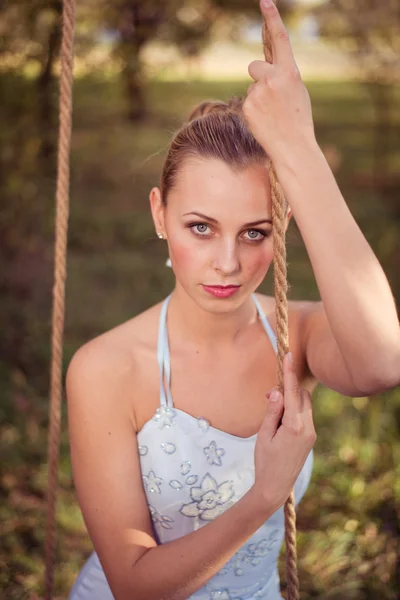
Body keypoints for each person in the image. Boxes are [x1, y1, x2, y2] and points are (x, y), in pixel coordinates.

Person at [66, 1, 400, 599]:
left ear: (282, 225)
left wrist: (301, 152)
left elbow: (382, 365)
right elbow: (135, 587)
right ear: (159, 215)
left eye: (256, 231)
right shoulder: (106, 369)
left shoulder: (295, 339)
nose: (228, 262)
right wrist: (264, 496)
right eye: (201, 227)